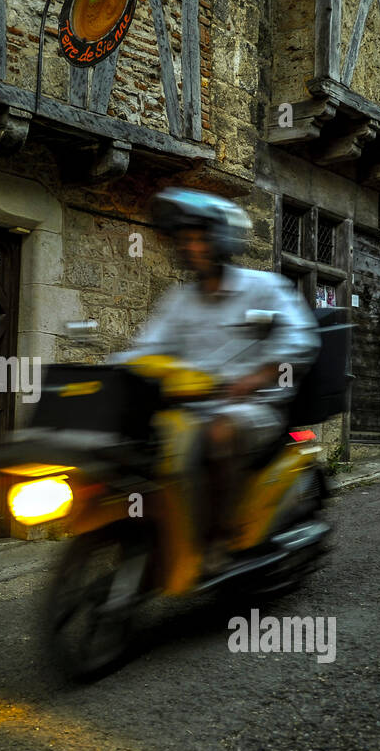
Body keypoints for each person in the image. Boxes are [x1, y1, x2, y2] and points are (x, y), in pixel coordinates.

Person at [109, 188, 321, 570]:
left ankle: (223, 535)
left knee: (218, 434)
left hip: (253, 410)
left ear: (221, 239)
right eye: (184, 239)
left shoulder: (264, 287)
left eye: (198, 237)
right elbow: (146, 349)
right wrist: (113, 371)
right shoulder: (179, 300)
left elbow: (301, 340)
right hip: (189, 410)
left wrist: (255, 377)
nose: (190, 246)